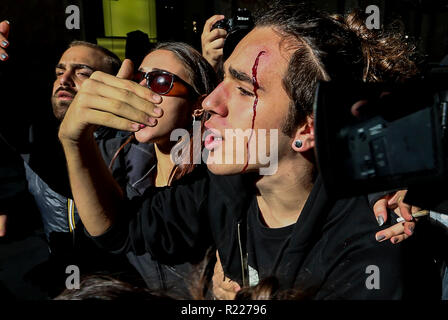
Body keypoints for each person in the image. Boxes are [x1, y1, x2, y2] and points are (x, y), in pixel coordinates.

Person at [58, 2, 440, 299]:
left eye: (243, 90)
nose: (208, 102)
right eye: (222, 78)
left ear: (307, 127)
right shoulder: (226, 189)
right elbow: (119, 230)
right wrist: (76, 142)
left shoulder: (374, 245)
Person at [98, 41, 218, 297]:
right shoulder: (119, 158)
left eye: (161, 81)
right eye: (139, 78)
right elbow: (43, 154)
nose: (140, 89)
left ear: (199, 105)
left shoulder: (215, 172)